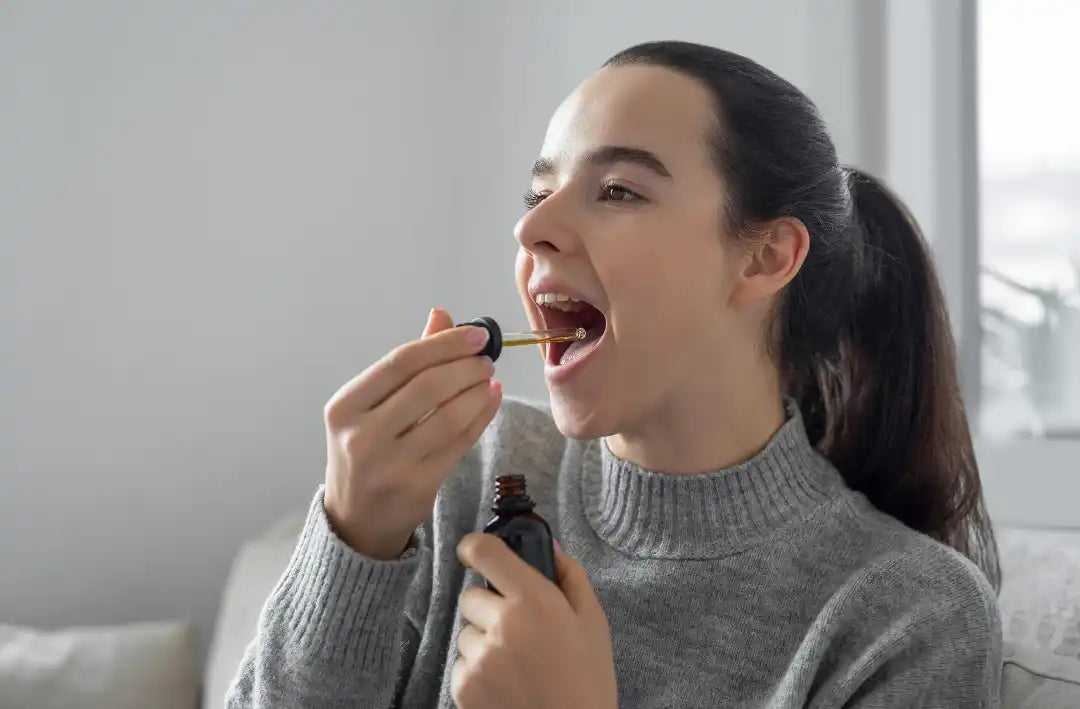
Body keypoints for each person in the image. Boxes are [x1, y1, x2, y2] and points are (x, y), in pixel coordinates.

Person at [227, 41, 1002, 708]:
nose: (531, 229)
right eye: (538, 194)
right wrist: (354, 536)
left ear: (766, 256)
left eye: (618, 190)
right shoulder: (466, 476)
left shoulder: (908, 616)